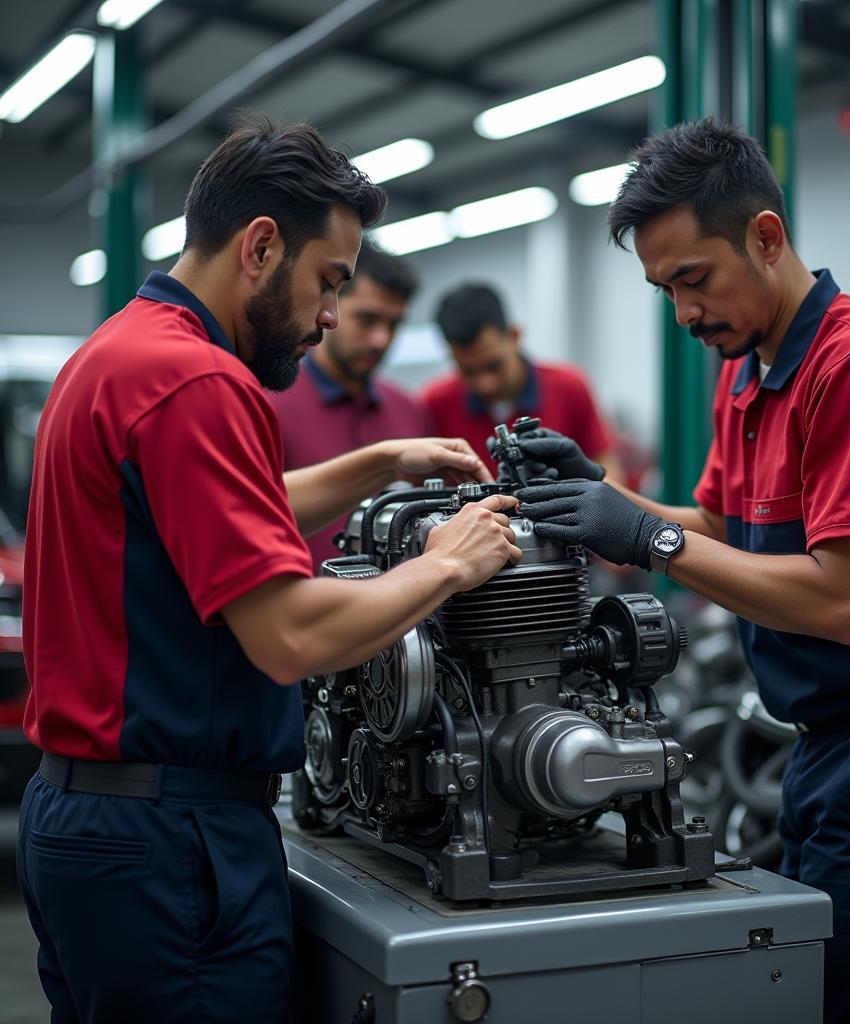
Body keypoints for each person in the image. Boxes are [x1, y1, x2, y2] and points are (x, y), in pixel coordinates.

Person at [16, 117, 520, 1024]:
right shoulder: (200, 381)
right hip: (171, 841)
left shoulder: (120, 353)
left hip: (88, 821)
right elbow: (290, 635)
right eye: (329, 281)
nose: (330, 317)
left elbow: (213, 519)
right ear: (260, 247)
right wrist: (447, 565)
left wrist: (380, 462)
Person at [514, 118, 850, 1024]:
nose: (684, 313)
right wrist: (602, 496)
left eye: (694, 280)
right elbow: (714, 525)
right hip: (833, 745)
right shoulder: (749, 370)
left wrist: (642, 537)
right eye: (664, 289)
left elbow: (840, 601)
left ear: (767, 237)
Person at [270, 243, 432, 570]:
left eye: (394, 324)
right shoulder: (269, 401)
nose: (381, 339)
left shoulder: (410, 411)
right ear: (331, 306)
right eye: (367, 319)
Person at [423, 282, 621, 476]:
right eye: (467, 371)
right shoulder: (434, 403)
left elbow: (608, 471)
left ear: (514, 335)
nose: (485, 383)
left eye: (493, 365)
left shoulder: (570, 388)